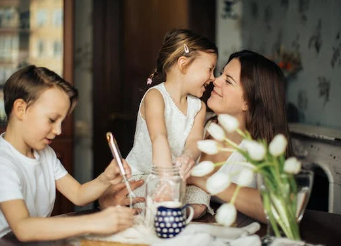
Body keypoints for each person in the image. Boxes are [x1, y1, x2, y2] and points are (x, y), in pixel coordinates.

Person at [0, 65, 135, 241]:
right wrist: (95, 221)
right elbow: (23, 228)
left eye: (62, 122)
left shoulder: (45, 154)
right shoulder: (4, 161)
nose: (58, 130)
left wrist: (106, 178)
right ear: (20, 109)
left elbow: (78, 194)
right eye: (52, 120)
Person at [188, 50, 293, 223]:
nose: (216, 80)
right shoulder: (196, 122)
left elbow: (282, 209)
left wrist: (205, 180)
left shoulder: (261, 150)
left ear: (248, 102)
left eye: (228, 80)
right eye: (221, 73)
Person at [124, 29, 218, 218]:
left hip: (178, 180)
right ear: (183, 65)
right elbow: (159, 137)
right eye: (210, 69)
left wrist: (188, 157)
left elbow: (194, 142)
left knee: (200, 200)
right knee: (151, 199)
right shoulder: (155, 96)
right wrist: (165, 181)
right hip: (144, 177)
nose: (213, 78)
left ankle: (176, 213)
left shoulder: (198, 107)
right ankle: (168, 210)